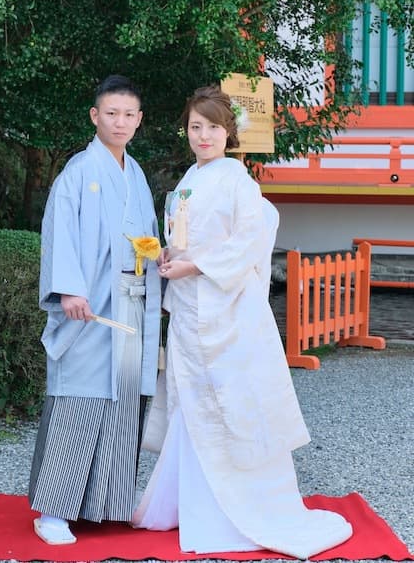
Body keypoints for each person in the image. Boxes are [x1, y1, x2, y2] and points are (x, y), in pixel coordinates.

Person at [132, 86, 353, 558]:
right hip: (193, 309)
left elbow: (254, 236)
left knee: (233, 404)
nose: (203, 135)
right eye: (195, 127)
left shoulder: (237, 179)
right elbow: (188, 238)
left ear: (229, 132)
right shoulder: (190, 177)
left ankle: (236, 508)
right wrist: (173, 255)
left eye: (212, 127)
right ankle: (192, 502)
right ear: (185, 130)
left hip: (227, 311)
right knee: (192, 403)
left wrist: (198, 265)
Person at [28, 75, 163, 546]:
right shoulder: (79, 171)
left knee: (122, 399)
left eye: (128, 115)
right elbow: (59, 230)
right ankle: (53, 512)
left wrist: (156, 255)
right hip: (90, 305)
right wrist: (68, 291)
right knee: (79, 398)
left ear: (139, 120)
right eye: (111, 113)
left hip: (129, 303)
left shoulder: (137, 174)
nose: (120, 122)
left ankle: (102, 503)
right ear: (95, 116)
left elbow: (141, 235)